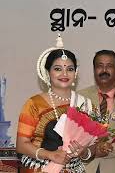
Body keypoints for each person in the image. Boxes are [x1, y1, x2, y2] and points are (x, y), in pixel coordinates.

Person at [16, 36, 94, 173]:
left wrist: (84, 152)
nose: (64, 73)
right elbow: (21, 145)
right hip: (39, 169)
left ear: (75, 73)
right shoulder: (34, 104)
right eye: (58, 69)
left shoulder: (85, 104)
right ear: (48, 72)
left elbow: (92, 147)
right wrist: (50, 155)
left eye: (70, 69)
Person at [78, 50, 115, 173]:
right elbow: (71, 134)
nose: (104, 70)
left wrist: (111, 149)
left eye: (109, 66)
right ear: (94, 70)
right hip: (85, 167)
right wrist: (90, 150)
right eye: (100, 66)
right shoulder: (80, 97)